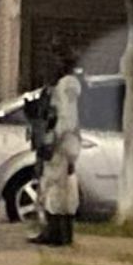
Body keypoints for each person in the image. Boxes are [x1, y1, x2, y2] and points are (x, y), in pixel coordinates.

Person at [30, 67, 84, 246]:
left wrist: (49, 142)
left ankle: (56, 233)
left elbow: (63, 123)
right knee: (59, 191)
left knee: (56, 189)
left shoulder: (64, 91)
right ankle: (59, 233)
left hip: (60, 147)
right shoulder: (63, 91)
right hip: (63, 147)